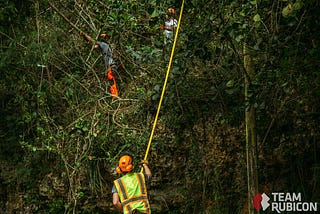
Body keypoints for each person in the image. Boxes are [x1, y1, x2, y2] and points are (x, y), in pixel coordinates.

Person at [81, 32, 119, 98]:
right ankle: (114, 96)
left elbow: (92, 41)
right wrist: (85, 38)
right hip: (111, 66)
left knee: (111, 80)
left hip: (111, 65)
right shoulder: (104, 47)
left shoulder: (104, 45)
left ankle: (115, 96)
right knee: (111, 81)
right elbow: (92, 46)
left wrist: (85, 35)